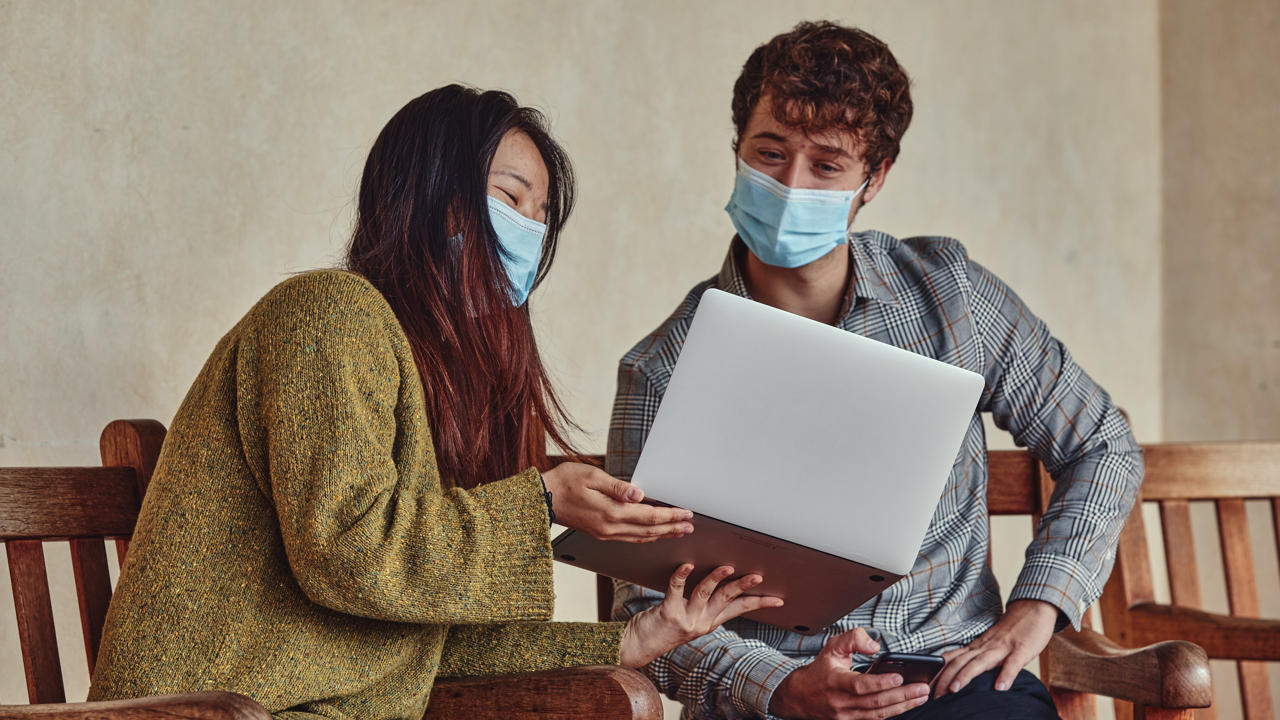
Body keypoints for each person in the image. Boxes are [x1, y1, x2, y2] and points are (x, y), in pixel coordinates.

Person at [88, 85, 781, 720]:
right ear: (427, 195)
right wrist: (541, 500)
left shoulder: (432, 382)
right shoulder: (328, 314)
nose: (530, 234)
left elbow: (411, 650)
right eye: (511, 200)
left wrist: (637, 637)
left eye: (541, 218)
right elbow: (352, 556)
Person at [608, 22, 1142, 720]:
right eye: (769, 153)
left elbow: (1102, 443)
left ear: (875, 178)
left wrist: (1038, 608)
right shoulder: (661, 367)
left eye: (826, 165)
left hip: (949, 679)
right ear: (737, 151)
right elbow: (647, 613)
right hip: (771, 700)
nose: (791, 184)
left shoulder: (953, 298)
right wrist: (780, 688)